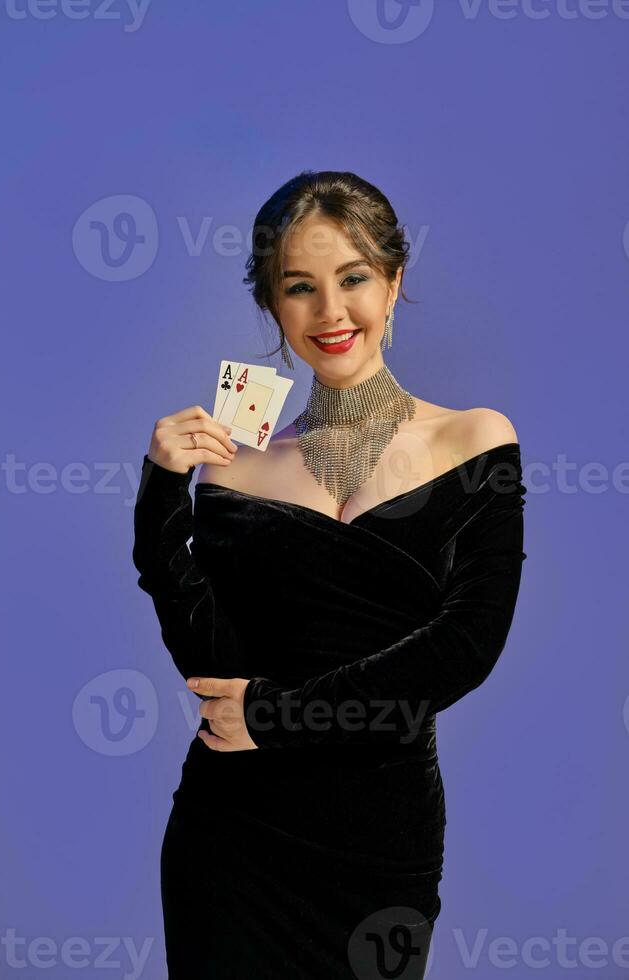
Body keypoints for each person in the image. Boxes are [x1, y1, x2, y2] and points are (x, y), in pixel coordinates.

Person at [132, 170, 527, 979]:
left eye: (351, 279)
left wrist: (277, 717)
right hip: (234, 833)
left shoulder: (476, 441)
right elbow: (214, 666)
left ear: (393, 282)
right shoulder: (235, 468)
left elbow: (467, 644)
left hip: (379, 839)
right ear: (272, 305)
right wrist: (160, 495)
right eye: (298, 288)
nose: (329, 312)